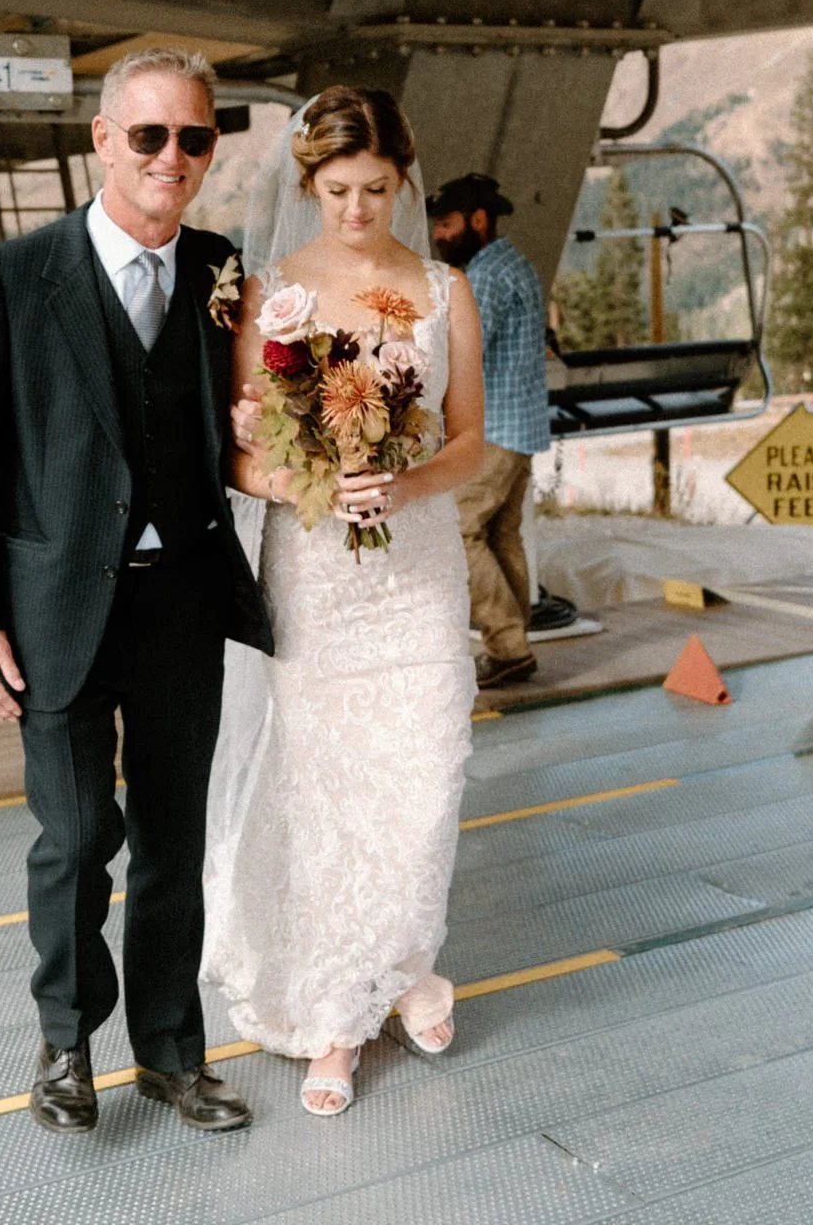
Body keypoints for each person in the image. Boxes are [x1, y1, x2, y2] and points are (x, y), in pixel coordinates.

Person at [0, 46, 274, 1137]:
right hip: (51, 610)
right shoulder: (10, 276)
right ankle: (65, 1045)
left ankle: (170, 1053)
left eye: (194, 137)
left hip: (183, 602)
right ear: (103, 140)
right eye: (150, 135)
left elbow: (235, 429)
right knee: (76, 840)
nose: (173, 157)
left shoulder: (222, 270)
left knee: (173, 840)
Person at [208, 86, 486, 1117]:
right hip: (318, 574)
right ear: (308, 185)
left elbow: (469, 439)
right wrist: (299, 479)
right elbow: (237, 453)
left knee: (425, 776)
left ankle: (404, 961)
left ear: (402, 181)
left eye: (375, 188)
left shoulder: (444, 289)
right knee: (329, 786)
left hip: (417, 572)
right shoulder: (271, 292)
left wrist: (404, 484)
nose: (357, 208)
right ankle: (336, 1016)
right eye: (337, 190)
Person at [428, 172, 551, 688]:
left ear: (478, 220)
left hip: (496, 428)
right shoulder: (514, 263)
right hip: (522, 424)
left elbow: (463, 353)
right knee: (501, 534)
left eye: (447, 224)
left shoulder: (485, 276)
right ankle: (516, 645)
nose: (438, 235)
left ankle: (507, 645)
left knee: (459, 530)